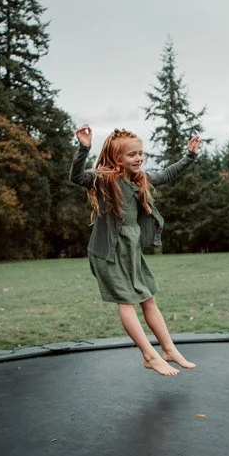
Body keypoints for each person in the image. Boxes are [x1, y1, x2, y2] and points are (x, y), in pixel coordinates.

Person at [70, 124, 200, 376]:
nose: (138, 158)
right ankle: (149, 355)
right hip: (108, 253)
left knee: (148, 298)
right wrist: (83, 148)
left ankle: (168, 349)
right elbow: (77, 177)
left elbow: (167, 174)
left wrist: (190, 156)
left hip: (130, 252)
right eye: (132, 154)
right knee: (127, 303)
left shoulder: (140, 179)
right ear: (117, 158)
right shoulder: (105, 180)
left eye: (140, 153)